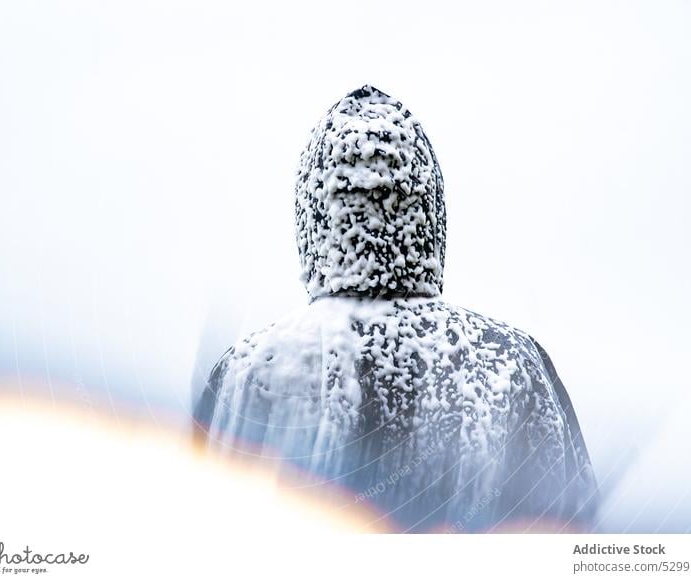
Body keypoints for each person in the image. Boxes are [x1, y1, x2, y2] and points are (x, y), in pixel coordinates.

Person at [194, 85, 598, 532]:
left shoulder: (247, 370)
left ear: (314, 215)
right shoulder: (512, 364)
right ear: (430, 215)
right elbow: (573, 533)